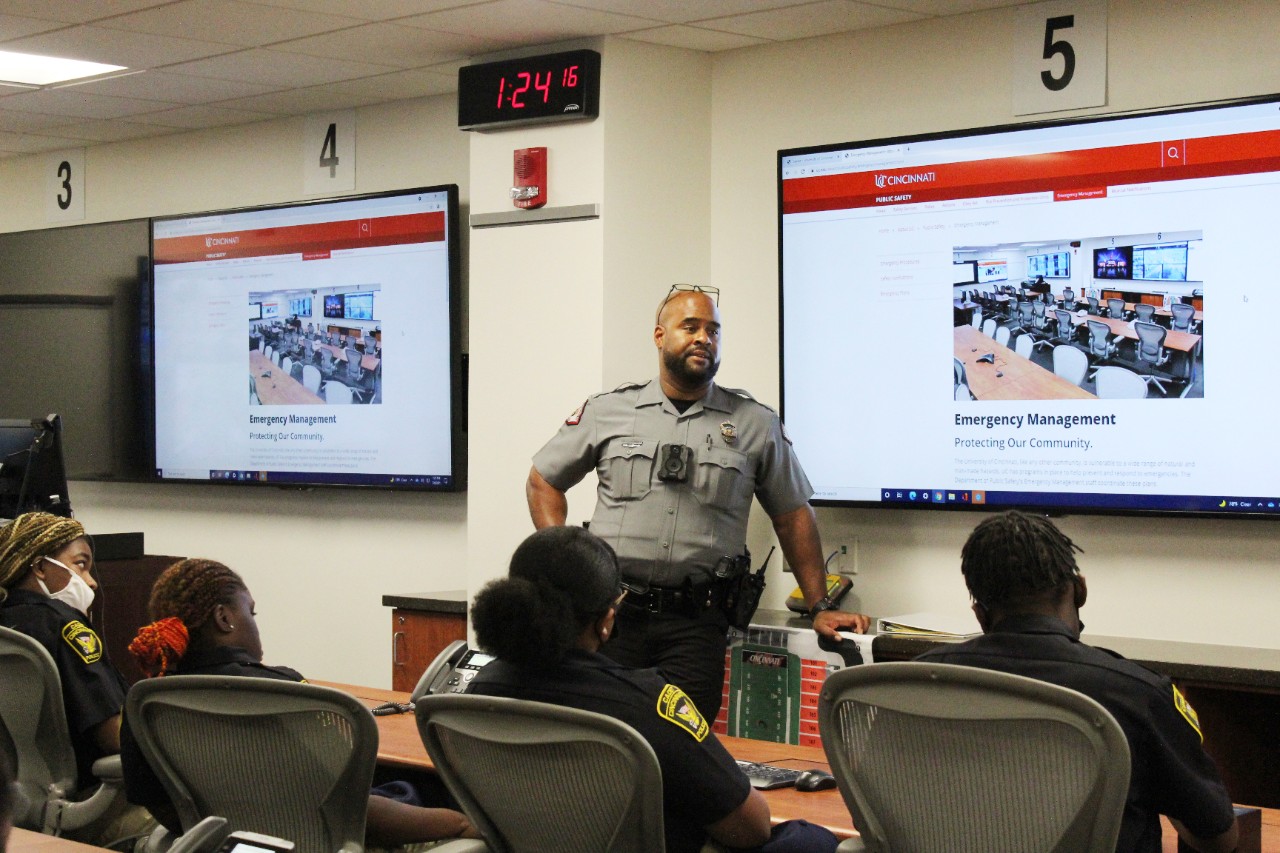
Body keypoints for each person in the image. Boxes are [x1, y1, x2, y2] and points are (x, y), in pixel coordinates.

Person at [526, 284, 869, 718]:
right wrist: (571, 568)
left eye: (714, 330)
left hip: (696, 625)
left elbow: (793, 515)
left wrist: (820, 606)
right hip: (611, 615)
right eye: (690, 327)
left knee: (685, 748)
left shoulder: (754, 424)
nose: (703, 338)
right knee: (599, 736)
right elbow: (543, 481)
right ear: (659, 335)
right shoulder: (609, 410)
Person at [468, 526, 838, 853]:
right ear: (606, 621)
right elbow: (752, 828)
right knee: (810, 839)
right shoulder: (647, 704)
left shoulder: (478, 693)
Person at [916, 511, 1238, 853]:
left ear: (980, 614)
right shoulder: (1136, 695)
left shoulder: (916, 684)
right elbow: (1219, 839)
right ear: (1080, 590)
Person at [122, 558, 480, 847]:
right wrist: (461, 823)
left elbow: (163, 806)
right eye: (252, 612)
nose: (255, 624)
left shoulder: (148, 701)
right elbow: (356, 812)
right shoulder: (286, 695)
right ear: (224, 618)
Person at [0, 512, 126, 787]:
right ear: (40, 567)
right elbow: (114, 737)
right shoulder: (65, 625)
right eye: (81, 565)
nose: (91, 581)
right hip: (86, 803)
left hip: (13, 803)